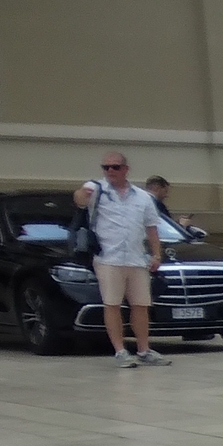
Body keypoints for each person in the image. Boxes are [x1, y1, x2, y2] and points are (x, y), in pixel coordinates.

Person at [71, 150, 166, 365]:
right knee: (112, 304)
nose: (110, 171)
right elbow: (79, 200)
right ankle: (120, 351)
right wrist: (81, 194)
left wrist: (156, 254)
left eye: (115, 167)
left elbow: (152, 229)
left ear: (125, 169)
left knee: (141, 305)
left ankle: (144, 349)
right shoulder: (96, 189)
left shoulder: (143, 197)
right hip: (108, 258)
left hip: (135, 258)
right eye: (106, 167)